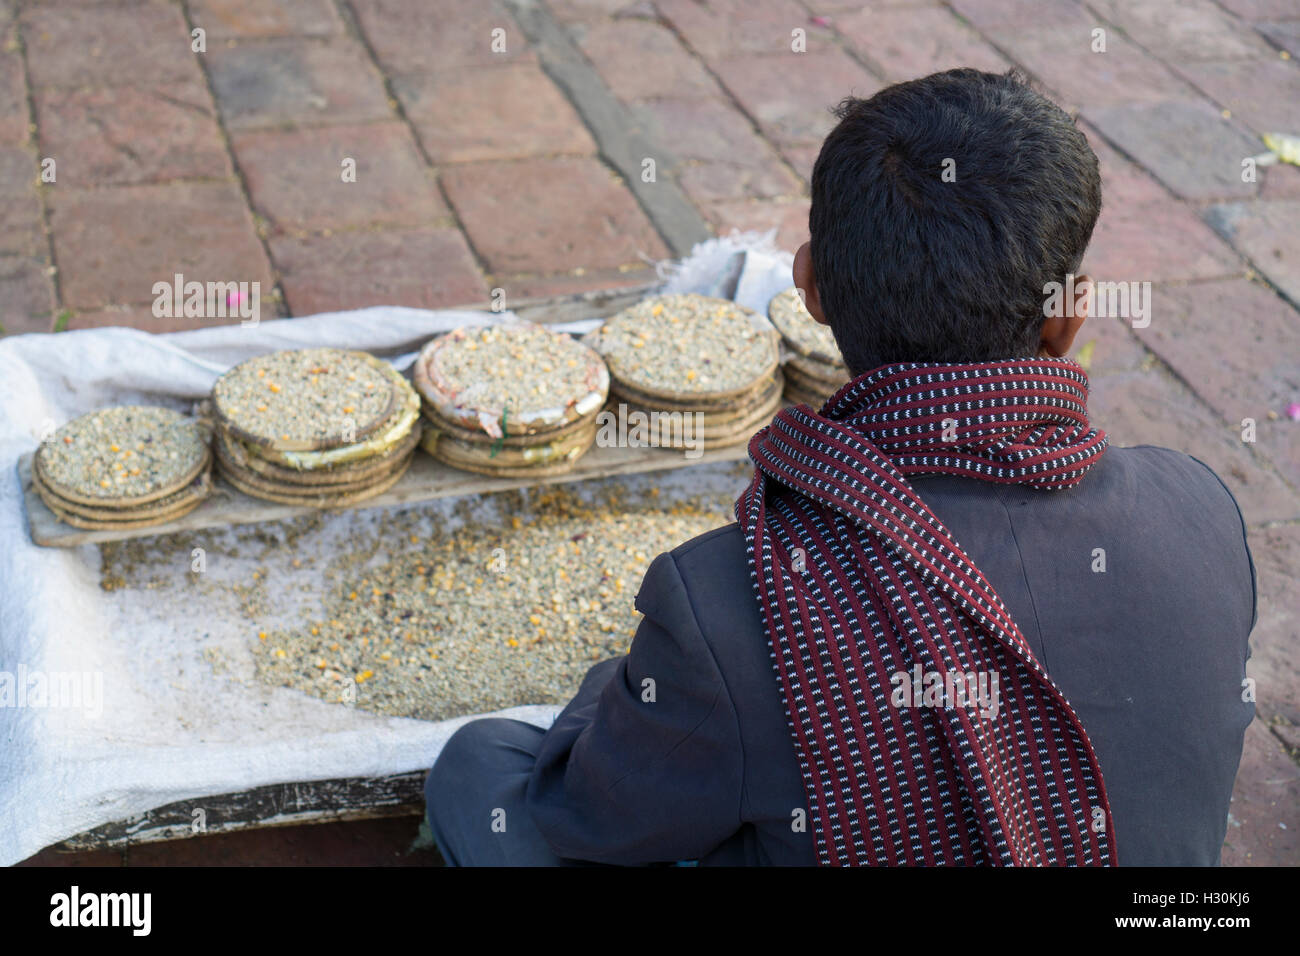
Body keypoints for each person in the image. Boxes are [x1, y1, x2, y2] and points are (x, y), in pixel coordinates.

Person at [423, 69, 1256, 866]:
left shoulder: (726, 604)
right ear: (1070, 319)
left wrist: (634, 681)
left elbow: (589, 815)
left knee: (480, 767)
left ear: (809, 287)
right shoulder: (1202, 511)